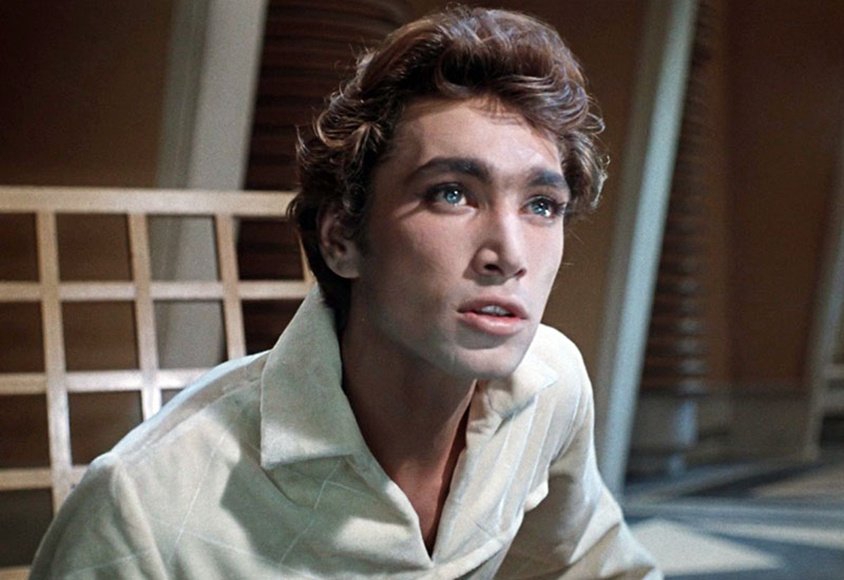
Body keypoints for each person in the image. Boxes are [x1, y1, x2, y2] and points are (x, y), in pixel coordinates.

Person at [31, 6, 660, 578]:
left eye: (542, 204)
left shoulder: (551, 386)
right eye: (451, 194)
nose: (511, 255)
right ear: (341, 239)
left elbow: (589, 567)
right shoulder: (142, 510)